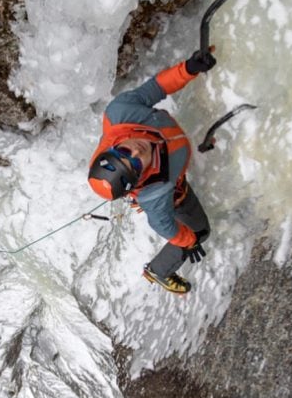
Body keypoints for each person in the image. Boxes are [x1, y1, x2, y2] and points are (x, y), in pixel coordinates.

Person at [87, 48, 216, 295]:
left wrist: (188, 69)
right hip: (176, 193)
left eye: (123, 153)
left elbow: (154, 90)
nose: (136, 151)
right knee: (201, 231)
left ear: (112, 148)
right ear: (138, 179)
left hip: (174, 151)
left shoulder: (120, 114)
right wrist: (189, 241)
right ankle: (159, 270)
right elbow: (165, 226)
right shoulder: (155, 194)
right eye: (135, 164)